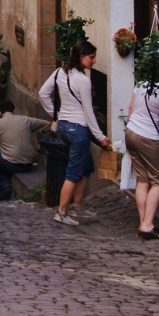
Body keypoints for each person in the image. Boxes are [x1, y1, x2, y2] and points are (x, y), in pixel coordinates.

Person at [39, 39, 111, 226]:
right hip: (78, 129)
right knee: (73, 172)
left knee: (85, 166)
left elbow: (43, 94)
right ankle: (62, 212)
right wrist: (101, 137)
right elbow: (88, 111)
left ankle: (78, 205)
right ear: (81, 57)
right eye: (91, 57)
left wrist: (56, 114)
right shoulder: (84, 81)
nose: (94, 61)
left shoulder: (59, 73)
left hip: (63, 126)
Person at [124, 81, 159, 239]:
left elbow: (130, 110)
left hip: (131, 132)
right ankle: (147, 225)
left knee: (142, 178)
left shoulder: (142, 83)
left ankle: (144, 221)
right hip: (149, 137)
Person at [0, 100, 49, 201]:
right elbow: (48, 125)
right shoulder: (26, 120)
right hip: (28, 164)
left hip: (11, 164)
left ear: (0, 113)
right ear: (14, 111)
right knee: (3, 157)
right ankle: (5, 186)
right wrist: (42, 143)